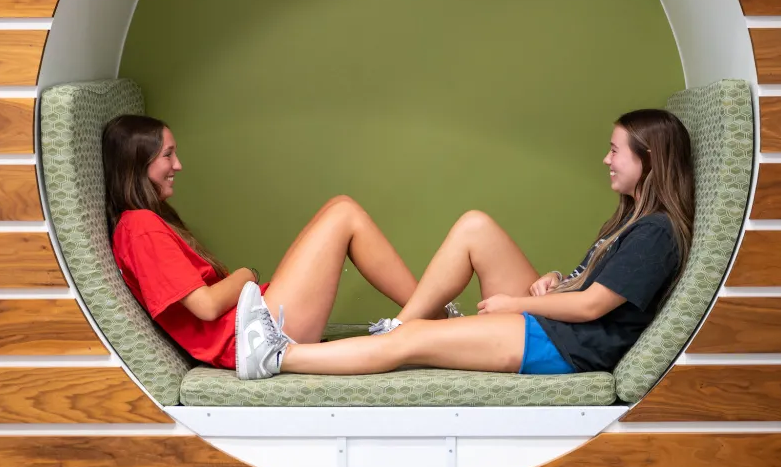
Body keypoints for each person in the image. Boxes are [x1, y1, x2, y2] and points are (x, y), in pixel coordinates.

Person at [235, 108, 695, 380]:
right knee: (476, 227)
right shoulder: (631, 218)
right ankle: (401, 324)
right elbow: (593, 287)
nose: (606, 159)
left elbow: (594, 306)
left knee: (413, 341)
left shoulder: (656, 232)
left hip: (568, 346)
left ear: (650, 160)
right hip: (560, 324)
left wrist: (515, 304)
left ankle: (277, 356)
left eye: (615, 150)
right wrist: (557, 280)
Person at [102, 114, 458, 371]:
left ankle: (432, 317)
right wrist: (247, 275)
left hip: (251, 325)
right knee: (344, 213)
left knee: (340, 207)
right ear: (139, 163)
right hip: (251, 338)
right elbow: (206, 307)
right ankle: (436, 318)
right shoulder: (140, 227)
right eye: (168, 154)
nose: (178, 165)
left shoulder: (142, 225)